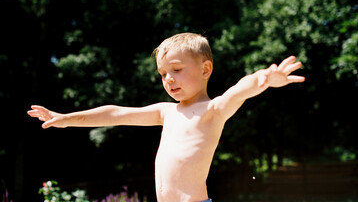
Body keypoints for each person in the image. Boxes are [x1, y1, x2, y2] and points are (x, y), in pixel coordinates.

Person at [28, 33, 305, 202]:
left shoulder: (213, 111)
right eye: (162, 73)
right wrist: (65, 118)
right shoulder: (166, 111)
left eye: (176, 69)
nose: (168, 78)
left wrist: (265, 78)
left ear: (206, 68)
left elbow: (239, 91)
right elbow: (115, 113)